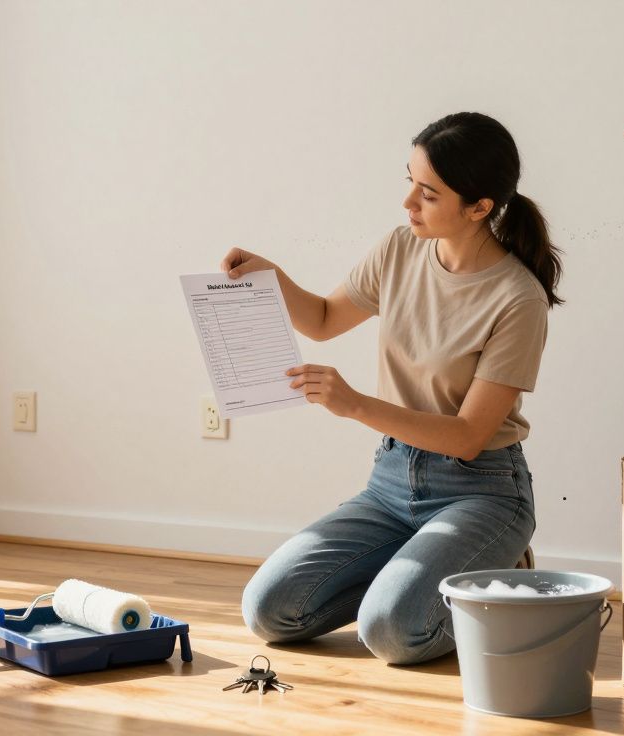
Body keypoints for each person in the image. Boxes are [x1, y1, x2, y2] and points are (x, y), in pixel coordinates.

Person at [227, 111, 561, 665]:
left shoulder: (517, 300)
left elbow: (468, 437)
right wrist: (270, 276)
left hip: (479, 491)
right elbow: (325, 319)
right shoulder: (399, 250)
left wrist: (356, 404)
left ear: (479, 208)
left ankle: (498, 569)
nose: (408, 202)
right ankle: (420, 573)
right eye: (409, 181)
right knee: (269, 611)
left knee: (393, 632)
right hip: (390, 482)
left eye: (428, 194)